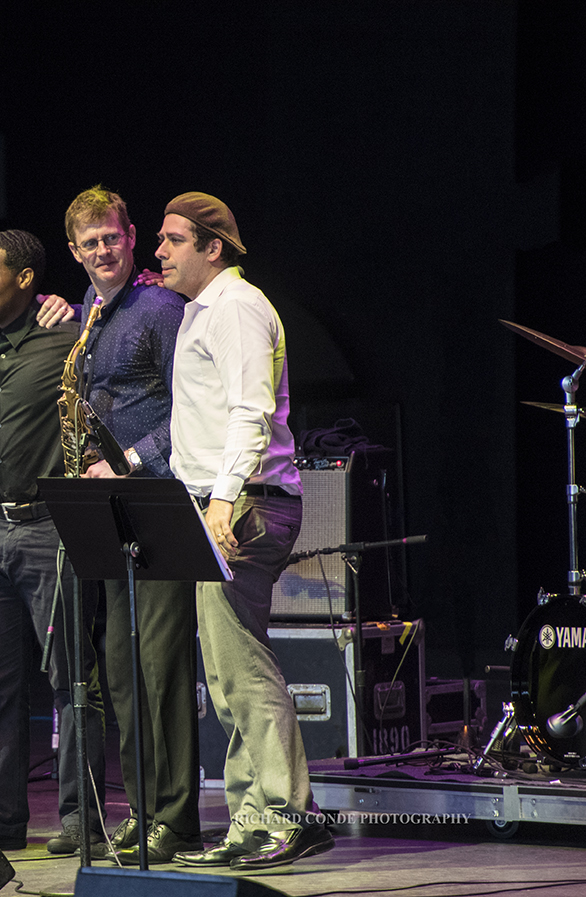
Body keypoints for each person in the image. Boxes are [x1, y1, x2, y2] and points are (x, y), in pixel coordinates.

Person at [155, 192, 334, 870]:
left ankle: (287, 814)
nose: (160, 251)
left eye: (173, 239)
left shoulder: (235, 307)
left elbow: (252, 412)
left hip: (245, 505)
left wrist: (223, 501)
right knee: (227, 672)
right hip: (221, 502)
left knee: (241, 666)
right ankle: (253, 817)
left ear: (213, 247)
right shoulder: (206, 311)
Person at [60, 186, 203, 865]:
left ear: (130, 234)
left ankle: (176, 818)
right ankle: (144, 811)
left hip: (158, 501)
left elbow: (193, 408)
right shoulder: (90, 313)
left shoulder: (161, 307)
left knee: (160, 666)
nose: (102, 250)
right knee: (121, 670)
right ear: (75, 251)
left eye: (111, 238)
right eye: (89, 243)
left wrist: (134, 461)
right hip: (110, 510)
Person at [0, 229, 107, 854]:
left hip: (49, 528)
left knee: (71, 679)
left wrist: (70, 310)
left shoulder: (65, 340)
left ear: (25, 281)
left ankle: (81, 817)